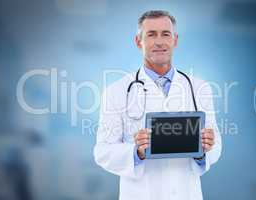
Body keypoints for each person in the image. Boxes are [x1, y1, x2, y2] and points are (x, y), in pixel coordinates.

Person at [94, 10, 222, 200]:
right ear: (139, 41)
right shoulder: (117, 91)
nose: (159, 42)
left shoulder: (199, 88)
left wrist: (205, 150)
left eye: (166, 34)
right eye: (151, 34)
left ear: (175, 40)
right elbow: (102, 152)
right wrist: (137, 152)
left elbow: (216, 144)